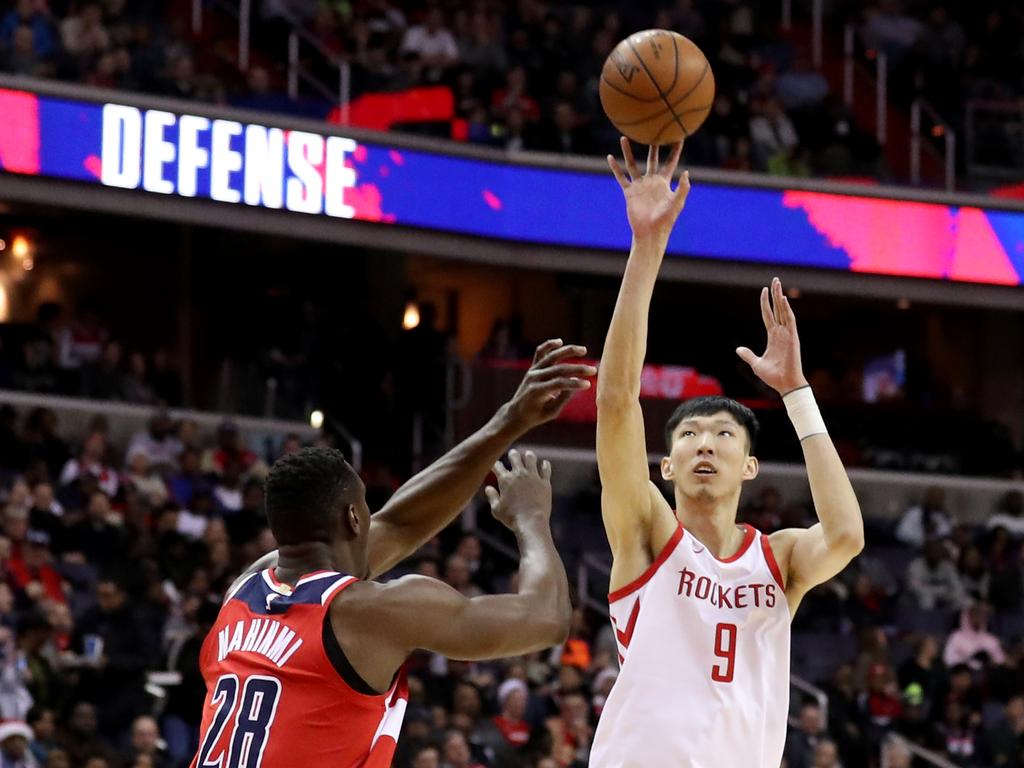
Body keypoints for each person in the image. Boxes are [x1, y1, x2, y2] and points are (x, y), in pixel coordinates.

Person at [590, 138, 864, 768]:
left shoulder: (780, 560)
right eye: (688, 435)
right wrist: (646, 249)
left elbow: (846, 535)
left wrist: (796, 392)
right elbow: (617, 402)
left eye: (723, 435)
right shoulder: (647, 534)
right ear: (666, 467)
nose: (705, 442)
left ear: (749, 466)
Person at [190, 344, 592, 766]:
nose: (374, 516)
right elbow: (547, 618)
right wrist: (531, 518)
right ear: (352, 518)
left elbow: (403, 523)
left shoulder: (243, 591)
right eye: (366, 505)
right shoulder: (371, 612)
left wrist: (510, 420)